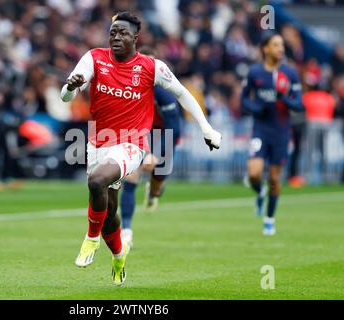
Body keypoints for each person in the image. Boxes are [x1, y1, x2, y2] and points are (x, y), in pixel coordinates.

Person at [61, 11, 221, 286]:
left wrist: (206, 128)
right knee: (109, 212)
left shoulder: (151, 67)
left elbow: (183, 93)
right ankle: (119, 256)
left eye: (123, 33)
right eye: (113, 32)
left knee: (97, 181)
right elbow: (67, 96)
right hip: (97, 141)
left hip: (132, 143)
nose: (116, 37)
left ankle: (90, 239)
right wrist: (70, 87)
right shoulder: (94, 58)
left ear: (136, 38)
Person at [120, 47, 183, 249]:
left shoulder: (164, 91)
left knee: (157, 182)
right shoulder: (129, 87)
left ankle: (153, 192)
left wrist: (156, 154)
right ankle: (126, 230)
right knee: (131, 176)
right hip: (139, 132)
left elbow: (175, 127)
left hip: (164, 134)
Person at [241, 32, 303, 236]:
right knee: (254, 173)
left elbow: (299, 104)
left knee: (275, 179)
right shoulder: (255, 72)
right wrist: (255, 108)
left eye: (282, 45)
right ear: (265, 48)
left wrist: (283, 98)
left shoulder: (290, 74)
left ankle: (269, 218)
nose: (281, 49)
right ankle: (260, 191)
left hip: (281, 132)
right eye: (276, 45)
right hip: (260, 129)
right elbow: (244, 100)